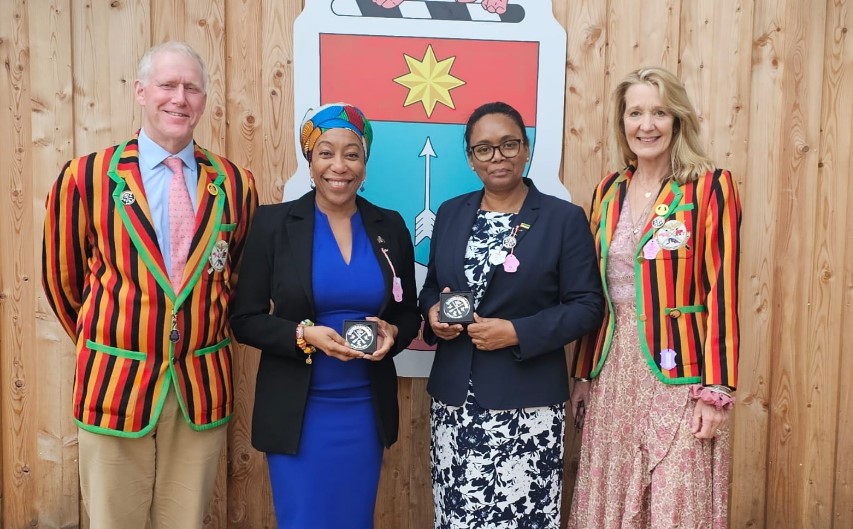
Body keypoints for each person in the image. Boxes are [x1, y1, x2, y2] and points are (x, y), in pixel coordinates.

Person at [41, 41, 257, 528]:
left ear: (204, 100)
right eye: (167, 85)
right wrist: (116, 339)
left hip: (199, 388)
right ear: (141, 91)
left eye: (191, 88)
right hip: (115, 386)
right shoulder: (86, 177)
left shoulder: (235, 184)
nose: (179, 98)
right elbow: (62, 280)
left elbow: (236, 278)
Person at [229, 103, 421, 528]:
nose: (339, 166)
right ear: (310, 161)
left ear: (365, 163)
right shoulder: (274, 224)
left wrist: (392, 330)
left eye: (352, 154)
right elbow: (245, 319)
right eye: (326, 153)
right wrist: (304, 336)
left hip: (363, 411)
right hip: (299, 412)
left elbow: (409, 314)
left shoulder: (390, 227)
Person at [568, 67, 742, 529]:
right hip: (613, 373)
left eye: (659, 112)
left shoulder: (709, 187)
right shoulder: (608, 191)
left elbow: (721, 290)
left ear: (678, 119)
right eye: (636, 112)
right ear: (622, 122)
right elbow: (596, 294)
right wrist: (583, 373)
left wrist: (717, 389)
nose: (647, 125)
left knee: (675, 502)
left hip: (679, 372)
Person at [419, 101, 604, 528]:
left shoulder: (563, 219)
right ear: (470, 158)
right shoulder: (451, 213)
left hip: (527, 408)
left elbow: (587, 306)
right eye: (483, 149)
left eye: (508, 145)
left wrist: (517, 332)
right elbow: (431, 286)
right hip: (455, 408)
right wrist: (432, 313)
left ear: (526, 149)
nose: (497, 156)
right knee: (458, 517)